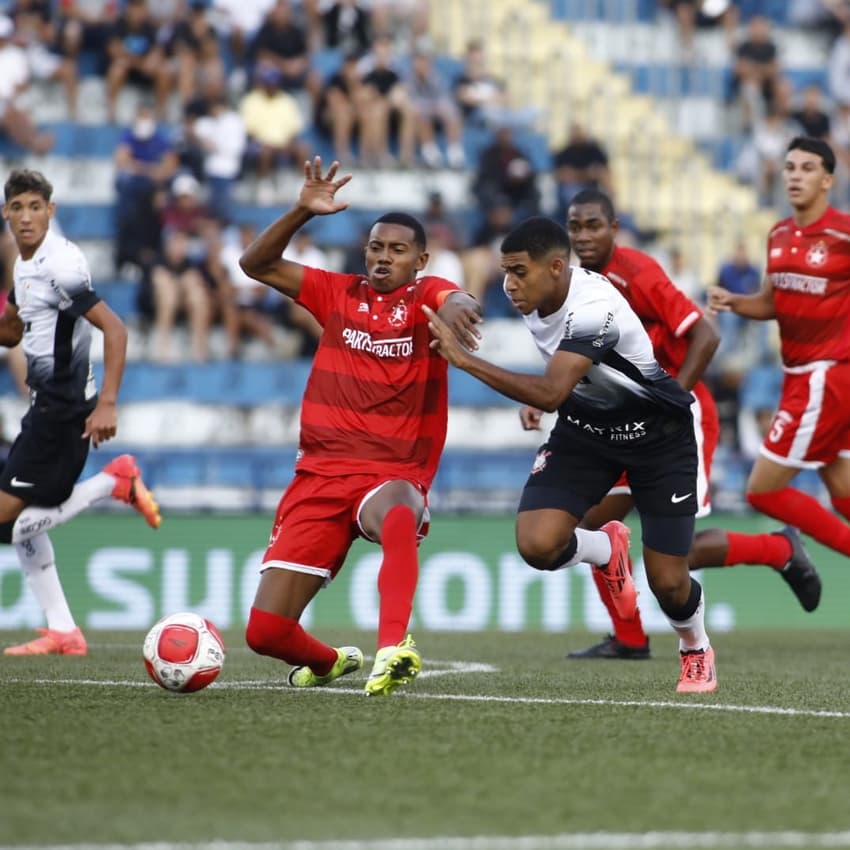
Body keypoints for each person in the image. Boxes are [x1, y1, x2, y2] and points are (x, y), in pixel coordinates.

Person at [425, 215, 717, 693]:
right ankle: (606, 549)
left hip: (659, 438)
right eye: (505, 271)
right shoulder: (538, 295)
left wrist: (465, 361)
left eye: (519, 271)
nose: (509, 284)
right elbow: (563, 377)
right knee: (537, 544)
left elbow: (552, 391)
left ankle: (695, 647)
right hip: (587, 431)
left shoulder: (593, 306)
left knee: (669, 583)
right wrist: (541, 390)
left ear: (556, 267)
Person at [238, 156, 482, 696]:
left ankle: (393, 645)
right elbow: (254, 264)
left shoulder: (425, 298)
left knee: (398, 511)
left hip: (391, 470)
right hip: (320, 474)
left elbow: (452, 295)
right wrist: (302, 211)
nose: (383, 258)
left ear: (420, 259)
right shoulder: (337, 293)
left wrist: (461, 302)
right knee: (266, 632)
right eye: (376, 247)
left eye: (397, 250)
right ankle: (330, 662)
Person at [558, 189, 820, 661]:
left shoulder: (638, 273)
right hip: (624, 421)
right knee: (591, 527)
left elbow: (706, 331)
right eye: (575, 227)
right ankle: (630, 639)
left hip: (679, 418)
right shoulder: (576, 283)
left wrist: (673, 396)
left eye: (593, 225)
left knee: (671, 559)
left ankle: (776, 548)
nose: (583, 236)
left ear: (614, 228)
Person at [0, 169, 161, 656]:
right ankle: (64, 630)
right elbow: (12, 329)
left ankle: (113, 482)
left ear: (51, 210)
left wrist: (107, 402)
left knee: (9, 522)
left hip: (64, 411)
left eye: (35, 207)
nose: (26, 217)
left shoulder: (60, 263)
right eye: (17, 208)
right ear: (6, 215)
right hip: (44, 406)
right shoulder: (24, 265)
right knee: (20, 528)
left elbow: (115, 330)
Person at [709, 136, 850, 567]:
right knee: (842, 490)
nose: (795, 176)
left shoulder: (843, 233)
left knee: (762, 489)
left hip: (826, 374)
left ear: (827, 179)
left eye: (807, 168)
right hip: (800, 375)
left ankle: (793, 551)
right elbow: (773, 303)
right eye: (790, 167)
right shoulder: (778, 233)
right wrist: (735, 302)